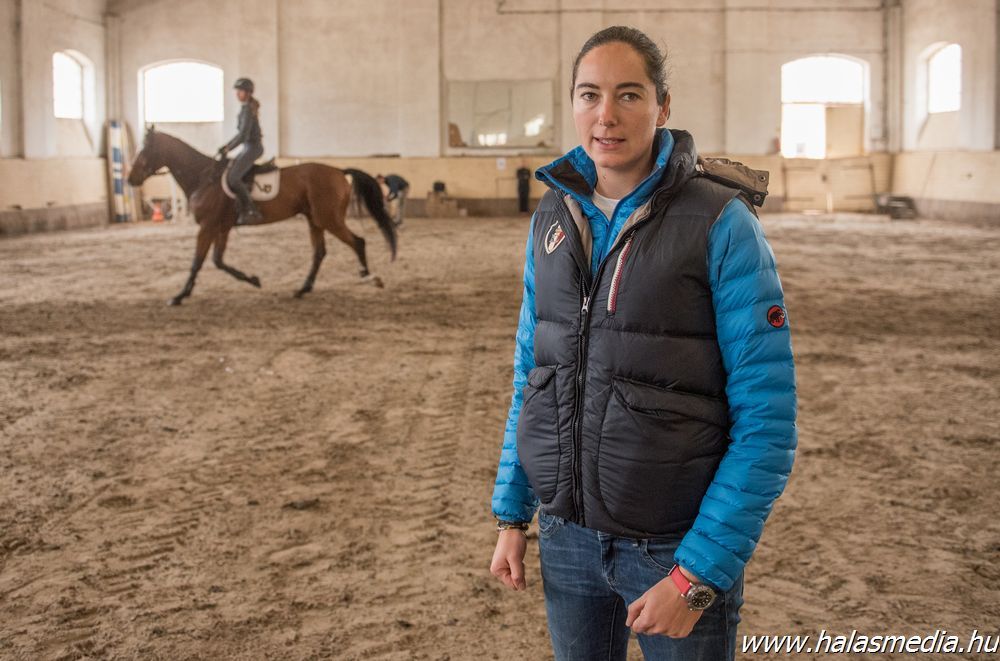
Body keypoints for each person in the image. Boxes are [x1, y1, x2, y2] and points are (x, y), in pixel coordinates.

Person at [489, 26, 796, 661]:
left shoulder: (721, 223)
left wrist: (696, 577)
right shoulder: (552, 217)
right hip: (568, 538)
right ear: (572, 104)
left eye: (629, 95)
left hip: (673, 549)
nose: (607, 115)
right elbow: (534, 375)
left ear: (663, 105)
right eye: (589, 94)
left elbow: (767, 422)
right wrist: (513, 515)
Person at [218, 77, 264, 226]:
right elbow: (240, 136)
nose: (238, 93)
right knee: (232, 171)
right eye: (237, 91)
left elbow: (243, 135)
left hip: (253, 148)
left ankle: (251, 210)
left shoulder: (248, 110)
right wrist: (226, 146)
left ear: (248, 93)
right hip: (248, 147)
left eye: (241, 91)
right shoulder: (245, 108)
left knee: (233, 178)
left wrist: (228, 148)